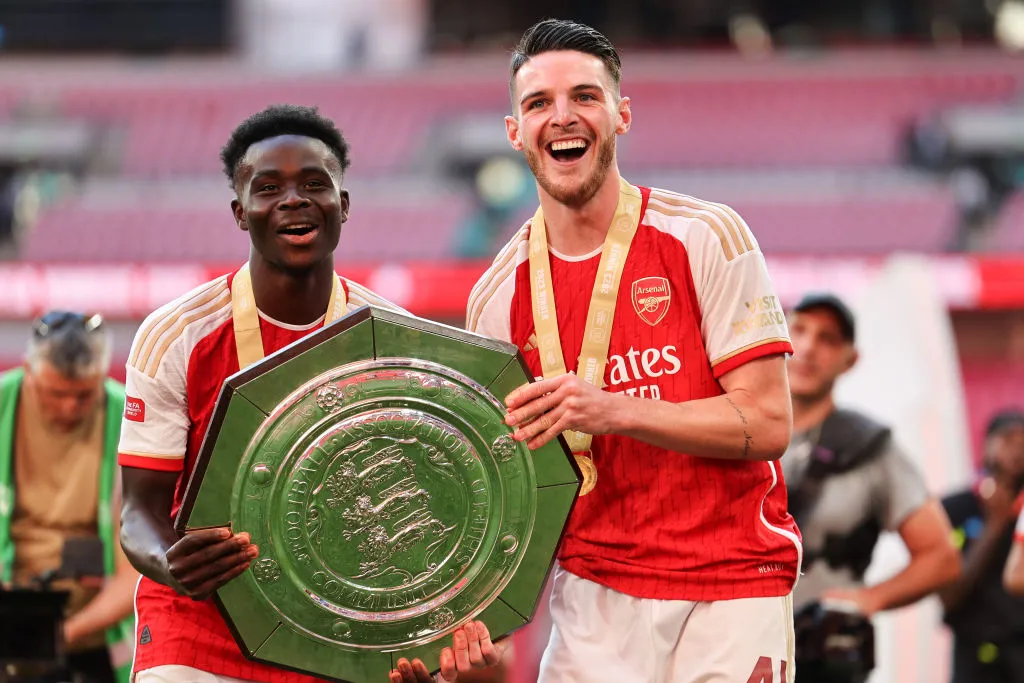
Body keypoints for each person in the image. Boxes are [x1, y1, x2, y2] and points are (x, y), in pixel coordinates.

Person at [117, 105, 501, 683]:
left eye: (315, 184)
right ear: (240, 213)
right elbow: (138, 511)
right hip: (198, 630)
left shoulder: (393, 339)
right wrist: (171, 563)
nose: (293, 200)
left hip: (332, 634)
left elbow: (425, 497)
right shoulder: (179, 335)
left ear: (343, 206)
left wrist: (416, 643)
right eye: (268, 188)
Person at [467, 18, 801, 682]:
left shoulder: (705, 236)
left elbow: (768, 423)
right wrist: (476, 612)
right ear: (515, 132)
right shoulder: (496, 296)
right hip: (593, 599)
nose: (563, 117)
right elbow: (507, 478)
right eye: (538, 103)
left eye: (585, 97)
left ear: (621, 115)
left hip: (729, 584)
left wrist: (614, 410)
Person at [780, 293, 960, 682]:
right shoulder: (734, 430)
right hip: (739, 647)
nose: (809, 348)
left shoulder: (871, 449)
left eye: (828, 339)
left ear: (850, 359)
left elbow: (942, 556)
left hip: (822, 655)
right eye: (800, 330)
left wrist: (870, 599)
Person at [0, 310, 138, 683]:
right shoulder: (3, 404)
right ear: (28, 371)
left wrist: (65, 633)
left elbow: (139, 569)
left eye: (83, 395)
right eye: (54, 393)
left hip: (101, 631)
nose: (68, 408)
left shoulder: (129, 419)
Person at [942, 408, 1024, 683]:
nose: (1016, 450)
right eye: (1007, 439)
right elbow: (950, 595)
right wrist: (995, 525)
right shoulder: (954, 509)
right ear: (986, 442)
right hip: (973, 655)